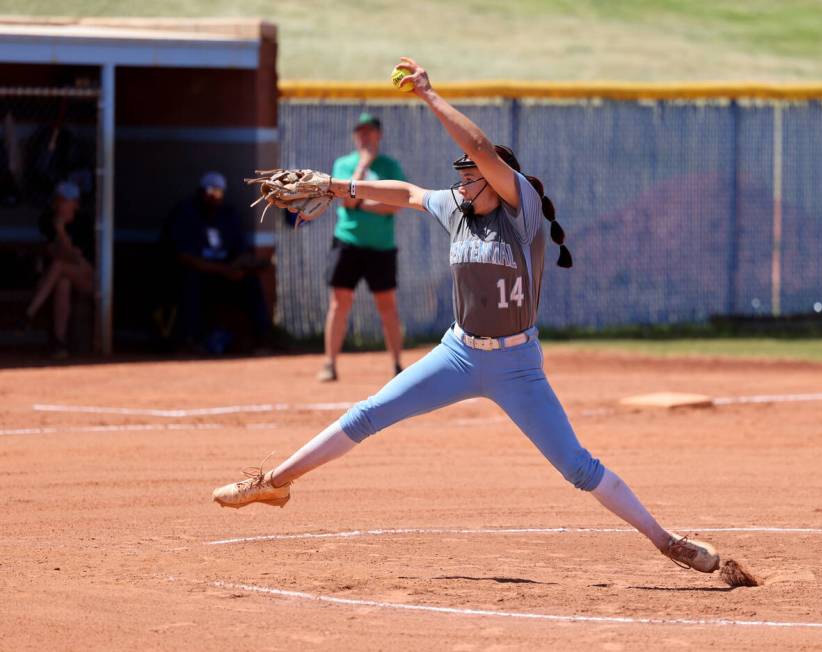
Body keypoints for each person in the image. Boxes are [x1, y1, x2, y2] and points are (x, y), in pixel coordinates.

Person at [212, 58, 720, 575]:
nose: (462, 180)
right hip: (457, 353)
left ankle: (666, 541)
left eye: (471, 175)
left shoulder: (520, 214)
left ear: (498, 181)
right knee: (367, 414)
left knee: (577, 467)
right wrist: (340, 186)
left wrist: (429, 95)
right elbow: (408, 193)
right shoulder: (456, 207)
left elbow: (480, 147)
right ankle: (272, 483)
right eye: (461, 175)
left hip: (517, 365)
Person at [319, 112, 407, 382]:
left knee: (387, 305)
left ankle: (397, 365)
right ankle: (330, 364)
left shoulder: (390, 167)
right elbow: (345, 201)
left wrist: (362, 203)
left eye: (369, 131)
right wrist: (363, 167)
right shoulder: (345, 165)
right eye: (360, 131)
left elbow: (398, 202)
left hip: (380, 247)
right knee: (339, 303)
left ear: (379, 135)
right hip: (348, 242)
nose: (364, 136)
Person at [167, 171, 270, 353]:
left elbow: (241, 249)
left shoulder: (227, 215)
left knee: (250, 282)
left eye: (218, 193)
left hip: (224, 274)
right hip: (199, 273)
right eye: (210, 192)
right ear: (200, 192)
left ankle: (262, 339)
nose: (214, 197)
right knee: (191, 283)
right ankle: (189, 340)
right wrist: (222, 270)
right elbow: (184, 257)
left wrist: (241, 266)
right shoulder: (186, 213)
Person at [24, 181, 94, 358]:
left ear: (76, 204)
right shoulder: (47, 220)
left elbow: (76, 258)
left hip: (89, 276)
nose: (61, 205)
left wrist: (61, 232)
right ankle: (59, 342)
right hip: (59, 274)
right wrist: (59, 235)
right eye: (59, 200)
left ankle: (30, 311)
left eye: (66, 201)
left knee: (59, 266)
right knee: (62, 281)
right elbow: (52, 252)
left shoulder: (84, 222)